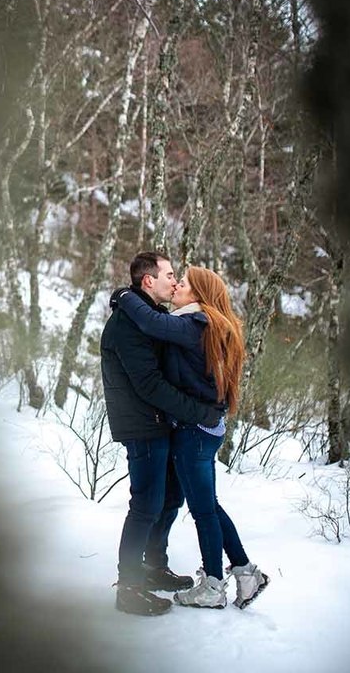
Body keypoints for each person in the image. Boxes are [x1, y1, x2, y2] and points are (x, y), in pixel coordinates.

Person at [114, 266, 270, 610]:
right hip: (206, 431)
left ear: (197, 294)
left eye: (181, 283)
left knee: (203, 510)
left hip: (194, 433)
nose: (176, 286)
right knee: (208, 505)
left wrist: (124, 296)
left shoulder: (192, 323)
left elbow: (153, 323)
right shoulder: (210, 323)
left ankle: (214, 585)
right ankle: (246, 572)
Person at [102, 252, 224, 616]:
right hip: (143, 424)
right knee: (145, 507)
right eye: (170, 275)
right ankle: (129, 587)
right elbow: (150, 385)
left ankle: (155, 566)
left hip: (162, 422)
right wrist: (200, 411)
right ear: (148, 281)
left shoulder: (151, 317)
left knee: (171, 500)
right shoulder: (128, 322)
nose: (175, 281)